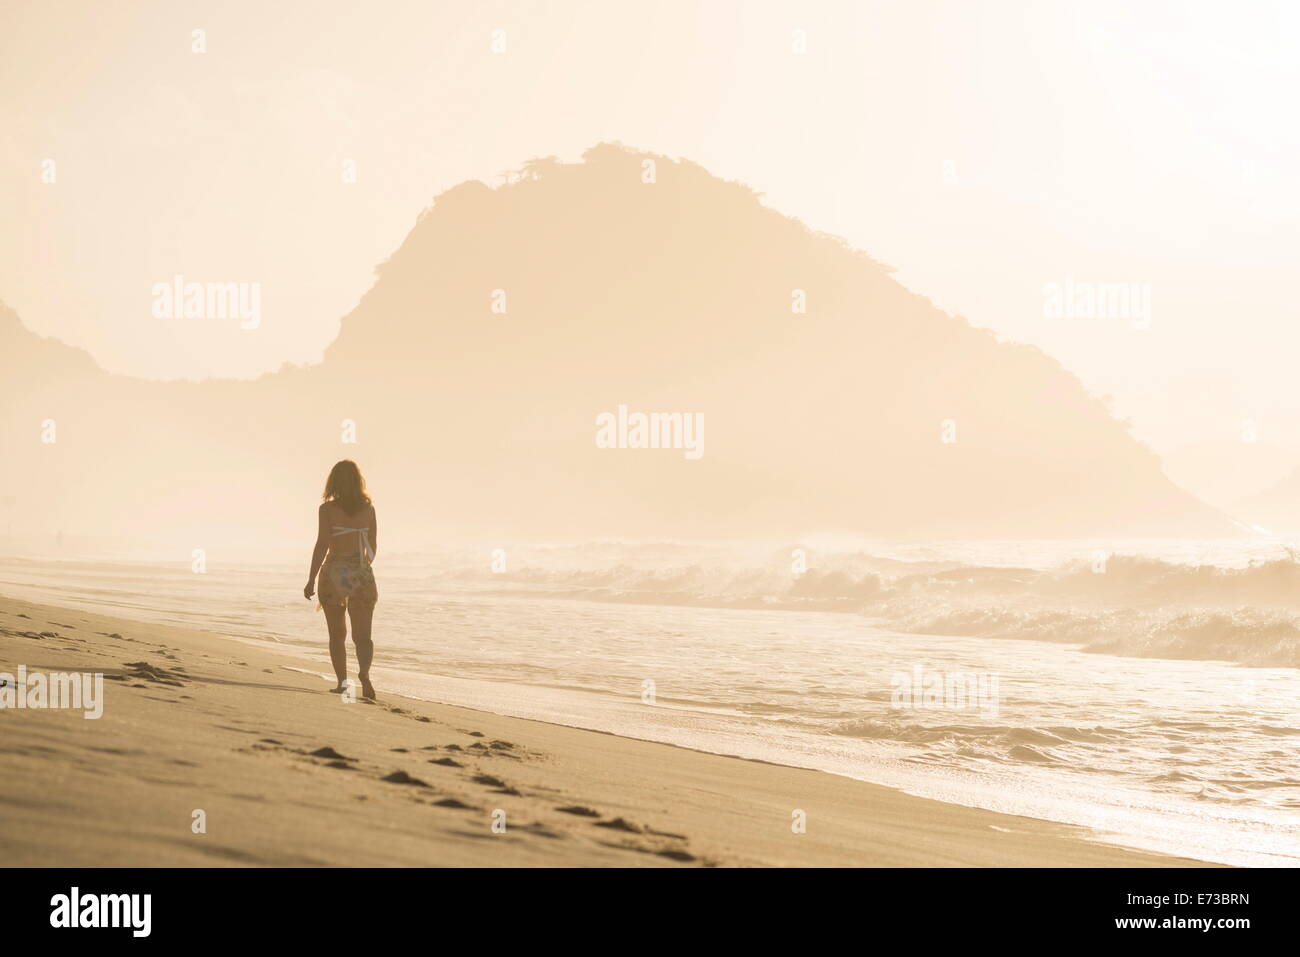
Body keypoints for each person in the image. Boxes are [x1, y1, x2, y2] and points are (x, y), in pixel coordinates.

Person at [304, 460, 378, 699]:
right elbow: (373, 549)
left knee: (337, 634)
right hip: (361, 572)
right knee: (363, 635)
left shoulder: (326, 510)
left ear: (333, 481)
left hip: (335, 572)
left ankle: (343, 683)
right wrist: (361, 566)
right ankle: (364, 674)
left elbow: (322, 544)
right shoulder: (369, 510)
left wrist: (311, 579)